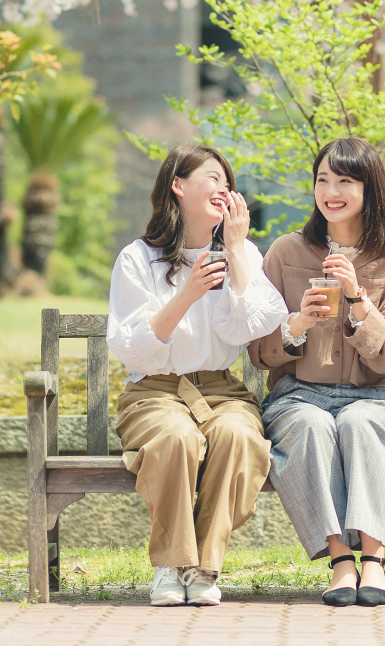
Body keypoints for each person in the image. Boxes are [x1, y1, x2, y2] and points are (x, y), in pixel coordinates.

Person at [106, 144, 288, 607]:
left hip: (221, 390)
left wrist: (234, 249)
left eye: (227, 180)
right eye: (212, 177)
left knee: (238, 436)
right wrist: (186, 294)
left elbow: (256, 323)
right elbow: (131, 349)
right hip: (154, 393)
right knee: (175, 439)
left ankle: (205, 565)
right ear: (178, 185)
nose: (224, 187)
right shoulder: (137, 258)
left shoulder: (241, 252)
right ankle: (172, 564)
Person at [248, 138, 385, 608]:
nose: (331, 190)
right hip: (297, 396)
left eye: (345, 180)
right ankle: (339, 559)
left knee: (359, 424)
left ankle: (375, 561)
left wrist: (358, 299)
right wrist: (299, 323)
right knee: (311, 426)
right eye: (323, 179)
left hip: (369, 397)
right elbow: (258, 353)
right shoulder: (285, 253)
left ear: (370, 189)